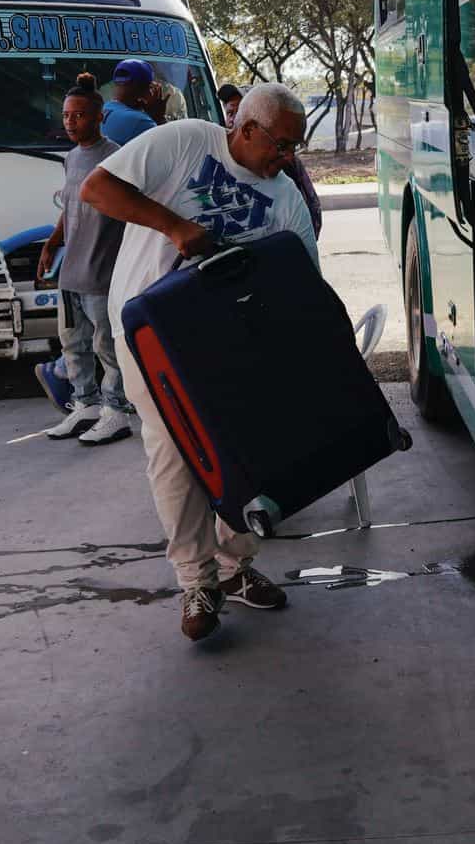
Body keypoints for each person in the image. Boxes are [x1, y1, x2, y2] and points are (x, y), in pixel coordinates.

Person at [80, 83, 319, 642]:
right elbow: (97, 189)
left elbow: (302, 277)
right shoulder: (186, 142)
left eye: (294, 149)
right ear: (247, 129)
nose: (287, 160)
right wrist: (175, 226)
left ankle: (236, 569)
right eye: (280, 146)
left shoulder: (284, 196)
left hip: (232, 343)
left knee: (249, 454)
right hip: (151, 336)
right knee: (175, 456)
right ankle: (198, 581)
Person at [36, 75, 133, 445]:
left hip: (102, 269)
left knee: (106, 347)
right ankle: (85, 406)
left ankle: (116, 412)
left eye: (79, 115)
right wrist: (52, 243)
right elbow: (71, 206)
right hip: (71, 268)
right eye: (66, 116)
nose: (70, 122)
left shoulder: (117, 157)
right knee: (72, 345)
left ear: (99, 117)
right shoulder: (72, 157)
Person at [220, 83, 323, 236]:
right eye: (230, 113)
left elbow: (311, 212)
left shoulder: (284, 161)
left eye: (241, 111)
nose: (234, 120)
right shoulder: (215, 157)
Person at [100, 59, 160, 146]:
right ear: (142, 87)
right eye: (150, 87)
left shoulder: (101, 109)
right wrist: (158, 117)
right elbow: (169, 150)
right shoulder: (141, 122)